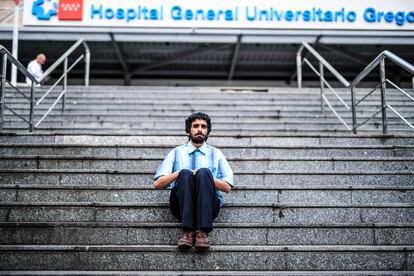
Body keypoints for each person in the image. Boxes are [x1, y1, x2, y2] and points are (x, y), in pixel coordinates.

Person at [154, 112, 234, 250]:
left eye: (203, 126)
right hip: (180, 206)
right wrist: (180, 173)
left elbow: (227, 187)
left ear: (207, 131)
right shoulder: (176, 152)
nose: (199, 129)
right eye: (195, 126)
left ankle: (202, 232)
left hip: (210, 206)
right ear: (188, 130)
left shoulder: (216, 153)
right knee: (184, 173)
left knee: (204, 172)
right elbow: (158, 183)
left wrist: (206, 177)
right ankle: (188, 232)